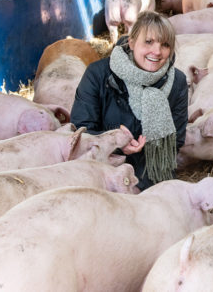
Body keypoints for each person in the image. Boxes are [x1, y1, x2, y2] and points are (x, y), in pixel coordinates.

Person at [71, 11, 188, 191]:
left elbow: (176, 140)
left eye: (165, 45)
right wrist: (116, 144)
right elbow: (81, 130)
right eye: (148, 42)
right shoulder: (98, 75)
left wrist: (147, 149)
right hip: (102, 169)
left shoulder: (177, 82)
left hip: (153, 173)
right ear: (132, 43)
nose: (156, 52)